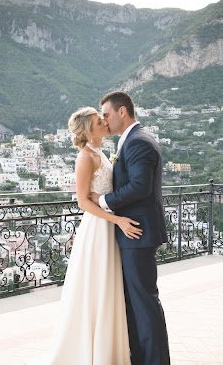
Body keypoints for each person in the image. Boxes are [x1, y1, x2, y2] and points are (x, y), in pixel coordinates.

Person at [32, 107, 142, 364]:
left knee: (108, 285)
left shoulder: (101, 153)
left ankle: (108, 351)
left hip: (109, 225)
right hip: (98, 229)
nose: (105, 122)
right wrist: (117, 219)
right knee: (96, 286)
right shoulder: (85, 157)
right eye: (98, 120)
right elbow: (83, 201)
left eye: (103, 118)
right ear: (89, 130)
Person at [90, 91, 170, 365]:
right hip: (134, 232)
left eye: (107, 115)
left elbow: (140, 186)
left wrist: (101, 200)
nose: (105, 120)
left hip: (138, 232)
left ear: (122, 112)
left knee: (144, 304)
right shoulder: (134, 140)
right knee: (135, 303)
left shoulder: (138, 142)